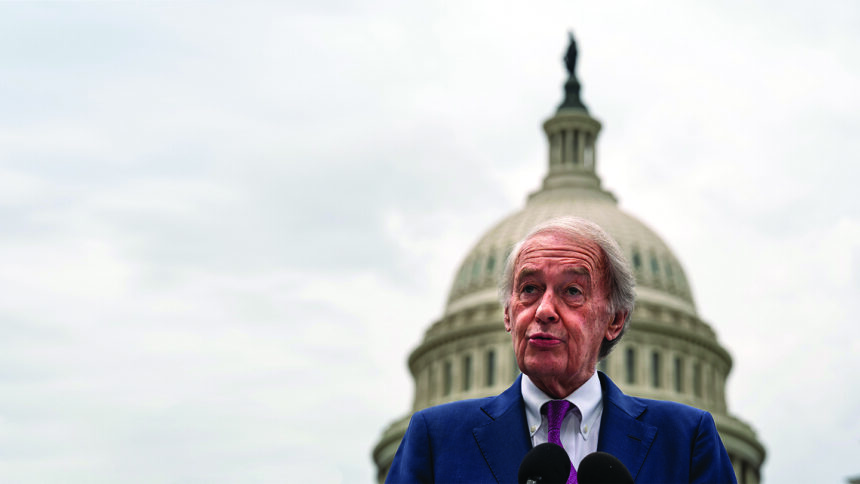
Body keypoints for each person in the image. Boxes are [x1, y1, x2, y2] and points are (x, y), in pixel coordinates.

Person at [386, 216, 737, 483]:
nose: (544, 310)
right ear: (508, 314)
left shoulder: (686, 441)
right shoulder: (436, 441)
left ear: (614, 320)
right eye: (529, 289)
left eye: (571, 291)